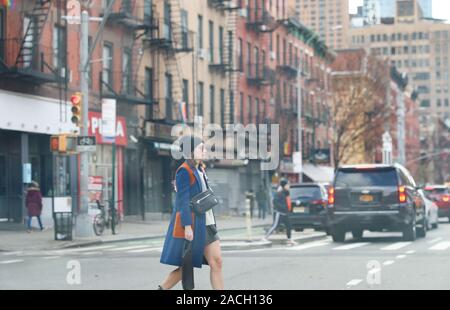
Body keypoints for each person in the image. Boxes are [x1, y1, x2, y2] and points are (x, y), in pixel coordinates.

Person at [159, 135, 224, 290]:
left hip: (207, 223)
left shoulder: (200, 169)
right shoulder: (184, 171)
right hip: (194, 224)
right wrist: (187, 226)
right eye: (201, 148)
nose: (204, 150)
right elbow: (182, 201)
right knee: (186, 267)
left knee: (217, 262)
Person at [262, 179, 297, 245]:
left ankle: (289, 239)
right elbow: (275, 202)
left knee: (289, 226)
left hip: (286, 213)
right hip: (279, 213)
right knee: (275, 226)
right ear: (284, 186)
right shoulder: (279, 193)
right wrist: (283, 208)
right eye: (287, 185)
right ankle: (265, 237)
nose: (289, 186)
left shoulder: (286, 193)